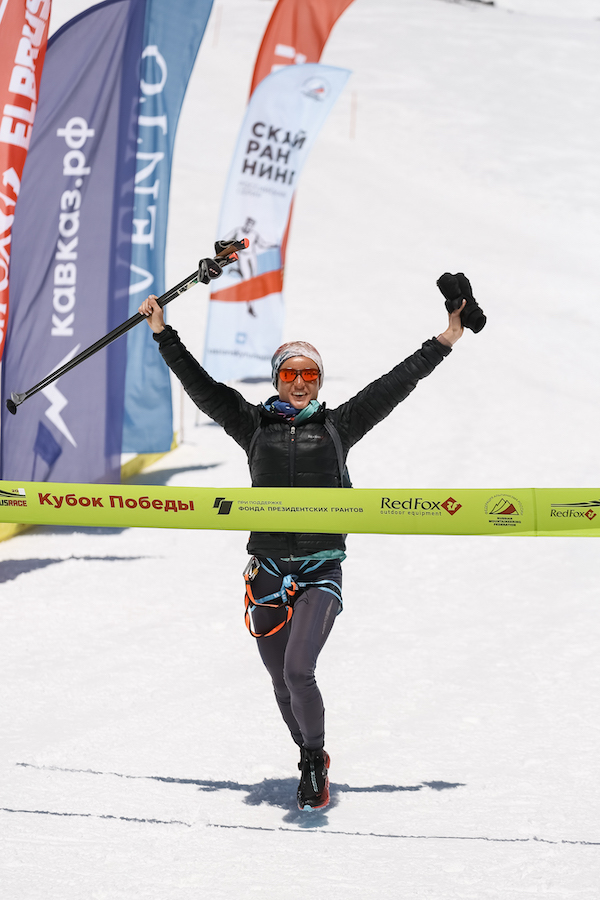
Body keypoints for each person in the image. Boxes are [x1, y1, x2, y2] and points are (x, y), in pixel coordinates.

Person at [138, 290, 466, 811]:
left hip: (319, 571)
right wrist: (162, 333)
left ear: (319, 381)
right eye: (290, 374)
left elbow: (395, 383)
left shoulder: (339, 426)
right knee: (279, 681)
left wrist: (446, 338)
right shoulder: (252, 427)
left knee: (298, 670)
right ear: (277, 379)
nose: (299, 383)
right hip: (267, 571)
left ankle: (313, 760)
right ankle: (308, 748)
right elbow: (201, 388)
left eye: (309, 375)